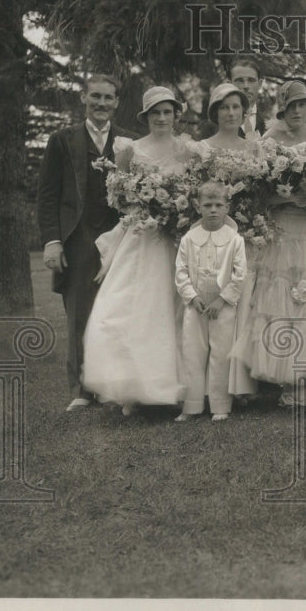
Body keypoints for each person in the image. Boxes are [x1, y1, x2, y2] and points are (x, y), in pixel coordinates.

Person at [82, 86, 201, 414]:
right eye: (155, 113)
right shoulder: (129, 150)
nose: (162, 118)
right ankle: (133, 388)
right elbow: (115, 195)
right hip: (140, 236)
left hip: (173, 236)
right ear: (146, 117)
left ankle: (176, 388)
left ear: (176, 115)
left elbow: (197, 191)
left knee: (173, 308)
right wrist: (139, 199)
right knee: (133, 307)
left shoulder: (188, 150)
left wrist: (175, 210)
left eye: (167, 112)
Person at [241, 80, 306, 406]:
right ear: (282, 108)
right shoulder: (267, 142)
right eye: (292, 105)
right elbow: (258, 194)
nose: (298, 111)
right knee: (281, 299)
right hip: (281, 227)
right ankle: (287, 379)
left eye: (303, 105)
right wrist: (284, 195)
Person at [36, 74, 136, 412]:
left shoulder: (130, 142)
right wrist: (52, 241)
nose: (101, 103)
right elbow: (47, 196)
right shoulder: (62, 141)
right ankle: (81, 388)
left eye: (108, 98)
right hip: (78, 237)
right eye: (95, 96)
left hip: (120, 236)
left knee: (118, 311)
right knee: (79, 312)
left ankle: (113, 384)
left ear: (117, 103)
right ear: (84, 98)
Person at [197, 82, 260, 399]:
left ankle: (242, 385)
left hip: (246, 233)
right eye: (224, 107)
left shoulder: (253, 147)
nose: (231, 112)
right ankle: (213, 385)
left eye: (236, 107)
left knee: (242, 301)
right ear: (214, 112)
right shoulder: (203, 149)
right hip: (214, 235)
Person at [174, 180, 248, 421]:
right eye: (208, 205)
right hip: (196, 305)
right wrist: (191, 297)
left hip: (222, 306)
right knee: (193, 351)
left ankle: (219, 404)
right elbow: (181, 271)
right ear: (198, 207)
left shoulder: (235, 239)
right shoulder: (189, 238)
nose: (213, 210)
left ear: (228, 207)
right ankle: (192, 404)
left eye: (219, 205)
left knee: (220, 352)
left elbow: (239, 274)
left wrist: (222, 299)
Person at [228, 56, 268, 138]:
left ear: (260, 84)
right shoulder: (216, 124)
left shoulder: (269, 123)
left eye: (251, 80)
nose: (246, 86)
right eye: (240, 80)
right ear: (229, 84)